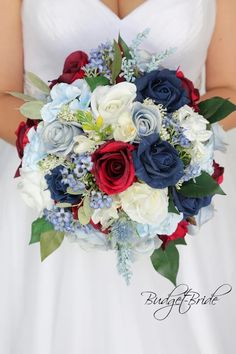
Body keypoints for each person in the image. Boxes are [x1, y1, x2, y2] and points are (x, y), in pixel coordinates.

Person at [0, 1, 235, 353]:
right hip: (50, 195)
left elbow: (227, 87)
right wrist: (75, 153)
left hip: (178, 198)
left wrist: (166, 147)